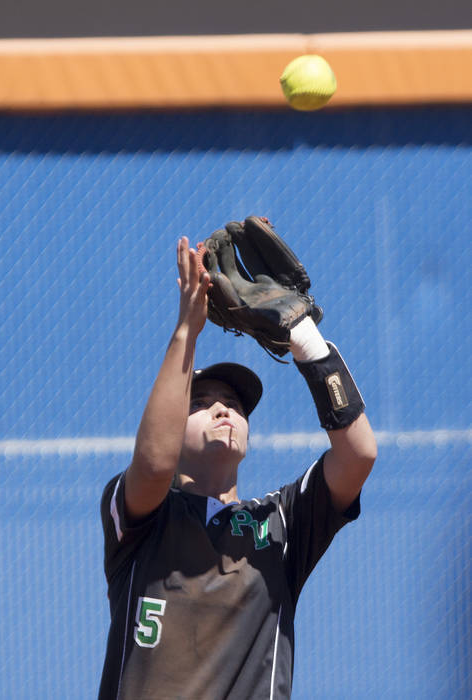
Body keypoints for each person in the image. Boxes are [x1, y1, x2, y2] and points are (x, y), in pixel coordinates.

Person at [98, 235, 377, 699]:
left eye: (233, 404)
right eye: (202, 403)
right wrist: (188, 329)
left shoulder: (282, 521)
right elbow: (152, 463)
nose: (223, 410)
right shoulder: (144, 521)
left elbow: (358, 455)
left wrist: (305, 339)